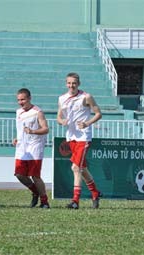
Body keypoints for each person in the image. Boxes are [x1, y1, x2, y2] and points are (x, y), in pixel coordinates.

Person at [57, 72, 102, 209]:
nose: (71, 85)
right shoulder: (62, 98)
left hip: (83, 137)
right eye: (69, 83)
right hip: (71, 137)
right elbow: (59, 116)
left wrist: (87, 123)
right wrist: (62, 121)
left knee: (75, 167)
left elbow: (98, 114)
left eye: (74, 83)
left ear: (79, 84)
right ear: (66, 83)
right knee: (82, 168)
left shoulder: (86, 97)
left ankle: (75, 201)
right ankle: (95, 192)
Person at [12, 88, 50, 209]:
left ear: (29, 98)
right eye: (18, 100)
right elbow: (20, 129)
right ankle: (35, 191)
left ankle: (44, 201)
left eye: (23, 99)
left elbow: (46, 129)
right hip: (21, 148)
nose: (20, 102)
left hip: (35, 148)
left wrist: (32, 131)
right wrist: (16, 138)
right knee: (19, 174)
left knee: (35, 176)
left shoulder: (37, 112)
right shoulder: (18, 112)